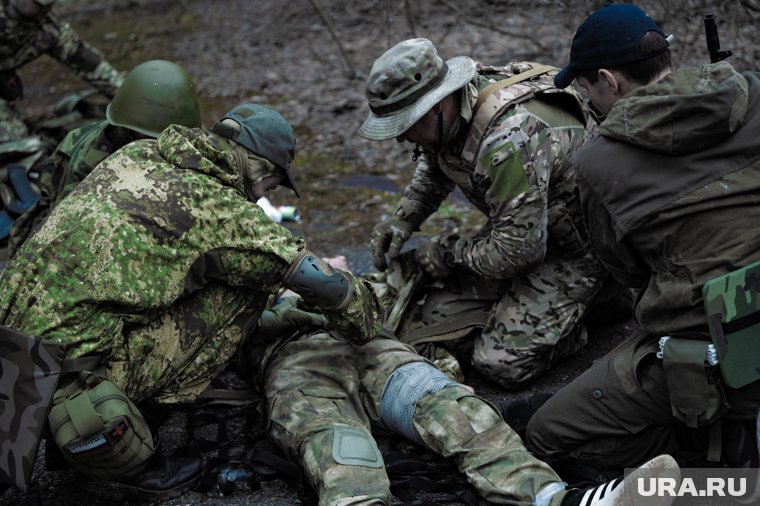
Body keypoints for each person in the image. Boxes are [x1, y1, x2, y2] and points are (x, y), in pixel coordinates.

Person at [0, 102, 383, 500]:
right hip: (68, 385)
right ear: (259, 168)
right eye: (269, 189)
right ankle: (125, 453)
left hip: (14, 358)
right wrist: (367, 318)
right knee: (249, 282)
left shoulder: (137, 155)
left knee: (207, 268)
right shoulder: (220, 208)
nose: (263, 198)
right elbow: (312, 278)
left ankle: (91, 415)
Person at [525, 3, 760, 500]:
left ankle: (718, 482)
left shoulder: (599, 162)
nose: (587, 99)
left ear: (608, 80)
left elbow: (628, 272)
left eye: (585, 88)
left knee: (546, 434)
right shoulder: (752, 91)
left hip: (712, 349)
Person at [255, 278, 679, 506]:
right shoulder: (242, 290)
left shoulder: (355, 278)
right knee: (341, 451)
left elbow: (394, 305)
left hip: (375, 348)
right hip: (296, 360)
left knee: (458, 412)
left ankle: (558, 501)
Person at [358, 38, 609, 389]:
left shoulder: (507, 139)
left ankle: (600, 306)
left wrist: (448, 255)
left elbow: (518, 252)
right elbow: (437, 162)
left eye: (405, 125)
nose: (401, 139)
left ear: (437, 105)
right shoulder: (460, 107)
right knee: (436, 308)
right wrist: (404, 218)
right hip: (534, 227)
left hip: (583, 249)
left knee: (500, 362)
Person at [7, 59, 203, 256]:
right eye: (144, 139)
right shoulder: (83, 157)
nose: (149, 148)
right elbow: (68, 231)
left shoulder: (197, 151)